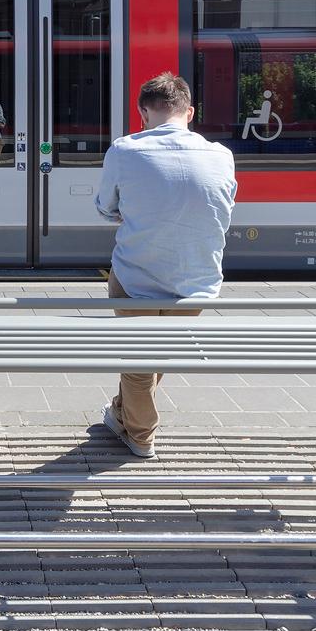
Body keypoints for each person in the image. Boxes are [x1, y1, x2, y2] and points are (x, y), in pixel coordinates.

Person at [93, 72, 237, 458]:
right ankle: (121, 413)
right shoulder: (221, 155)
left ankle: (141, 436)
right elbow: (223, 210)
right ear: (189, 112)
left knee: (139, 365)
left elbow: (106, 208)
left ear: (143, 112)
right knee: (158, 354)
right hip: (197, 279)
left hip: (137, 275)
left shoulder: (124, 151)